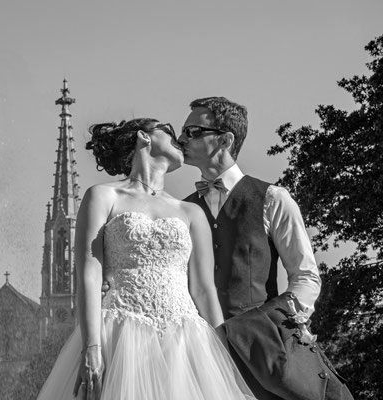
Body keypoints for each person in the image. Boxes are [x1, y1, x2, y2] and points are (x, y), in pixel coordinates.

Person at [37, 118, 256, 400]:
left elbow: (203, 290)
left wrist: (223, 359)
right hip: (120, 334)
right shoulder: (103, 196)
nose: (180, 139)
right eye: (170, 131)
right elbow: (89, 274)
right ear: (144, 137)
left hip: (183, 339)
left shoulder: (191, 212)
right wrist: (91, 346)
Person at [178, 97, 324, 399]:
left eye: (193, 132)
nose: (181, 139)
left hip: (259, 354)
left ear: (225, 140)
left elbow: (306, 276)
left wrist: (277, 325)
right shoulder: (181, 211)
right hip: (196, 353)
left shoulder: (273, 198)